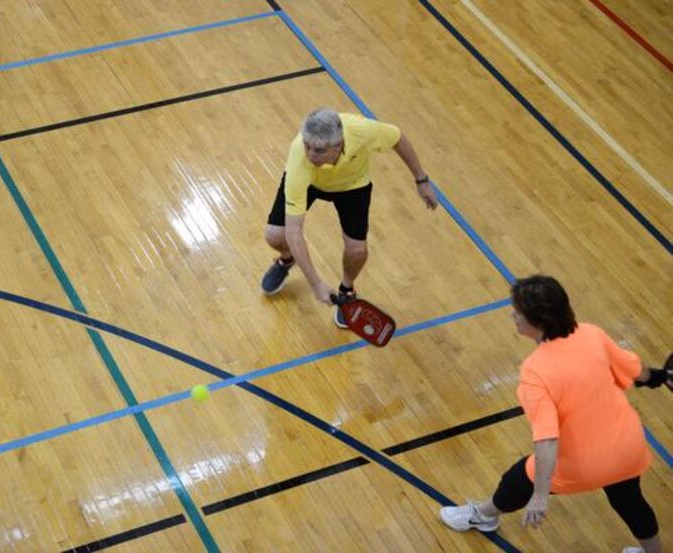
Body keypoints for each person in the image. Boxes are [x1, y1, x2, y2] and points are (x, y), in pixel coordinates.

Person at [439, 275, 671, 553]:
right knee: (629, 500)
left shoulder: (535, 372)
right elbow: (637, 371)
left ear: (536, 321)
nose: (512, 313)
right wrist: (659, 377)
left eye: (518, 310)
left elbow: (547, 439)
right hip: (628, 448)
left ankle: (483, 515)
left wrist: (539, 495)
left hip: (586, 463)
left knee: (518, 478)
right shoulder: (591, 333)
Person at [260, 107, 438, 327]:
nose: (310, 154)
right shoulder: (300, 159)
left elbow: (398, 138)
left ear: (338, 145)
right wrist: (315, 283)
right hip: (311, 184)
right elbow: (294, 231)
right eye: (307, 146)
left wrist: (421, 180)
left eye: (318, 150)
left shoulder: (363, 130)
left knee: (357, 250)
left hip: (352, 186)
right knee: (275, 236)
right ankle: (287, 259)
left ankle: (347, 290)